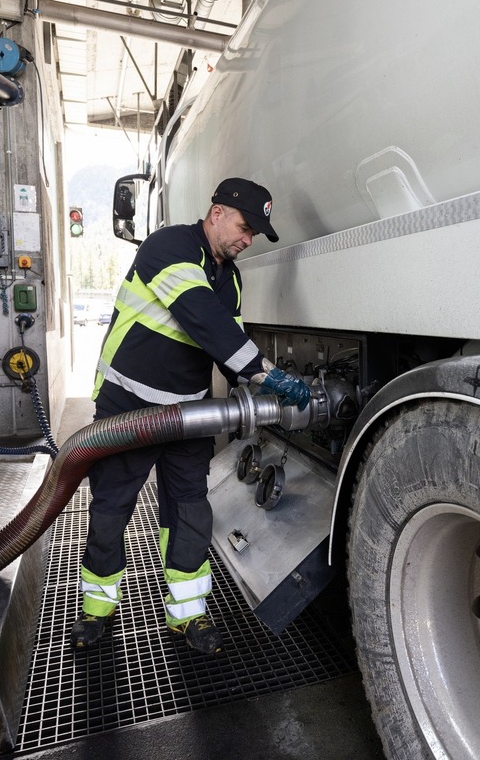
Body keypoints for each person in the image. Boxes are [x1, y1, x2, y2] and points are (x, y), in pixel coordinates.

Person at [71, 177, 312, 655]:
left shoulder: (231, 276)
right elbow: (202, 318)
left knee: (189, 512)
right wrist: (268, 376)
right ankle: (96, 611)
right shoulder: (171, 246)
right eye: (245, 228)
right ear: (217, 211)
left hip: (187, 414)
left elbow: (226, 345)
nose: (248, 240)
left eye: (255, 235)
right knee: (111, 510)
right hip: (129, 405)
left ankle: (188, 615)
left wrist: (258, 395)